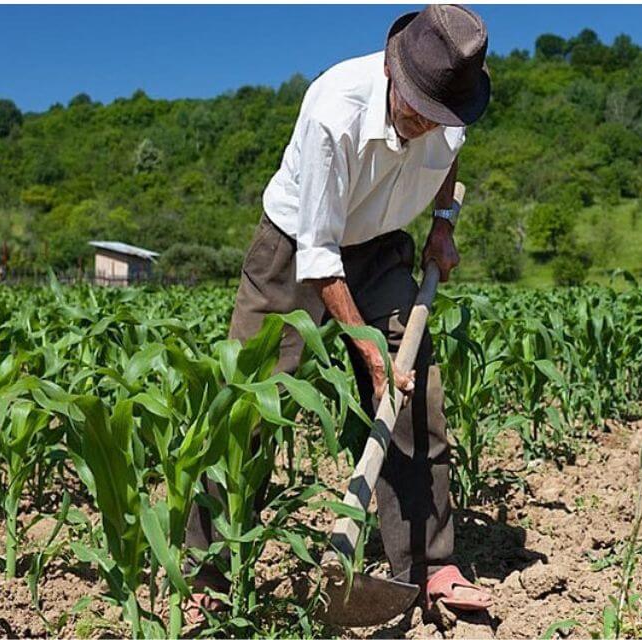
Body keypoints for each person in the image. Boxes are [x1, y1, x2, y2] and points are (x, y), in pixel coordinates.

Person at [183, 4, 493, 622]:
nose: (423, 125)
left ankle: (429, 566)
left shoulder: (450, 112)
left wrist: (443, 225)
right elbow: (319, 257)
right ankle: (204, 565)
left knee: (416, 390)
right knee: (249, 398)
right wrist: (365, 349)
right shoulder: (334, 111)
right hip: (296, 244)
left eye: (437, 118)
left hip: (382, 246)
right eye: (414, 109)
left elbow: (450, 160)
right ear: (390, 69)